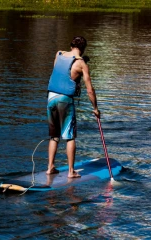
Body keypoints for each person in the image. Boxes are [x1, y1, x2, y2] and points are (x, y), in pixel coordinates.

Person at [46, 36, 100, 178]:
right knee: (70, 137)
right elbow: (90, 90)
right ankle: (71, 171)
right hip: (65, 99)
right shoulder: (82, 64)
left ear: (71, 46)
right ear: (83, 49)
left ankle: (50, 167)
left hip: (51, 97)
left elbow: (60, 74)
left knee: (54, 136)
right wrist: (95, 108)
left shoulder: (59, 54)